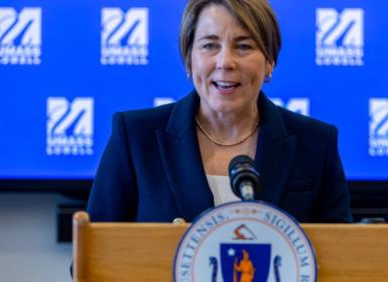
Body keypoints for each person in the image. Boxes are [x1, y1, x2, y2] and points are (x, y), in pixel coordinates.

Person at [87, 0, 352, 223]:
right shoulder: (135, 137)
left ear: (270, 60)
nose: (225, 62)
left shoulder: (316, 142)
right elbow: (92, 258)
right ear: (189, 57)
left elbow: (344, 258)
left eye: (244, 46)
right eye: (209, 45)